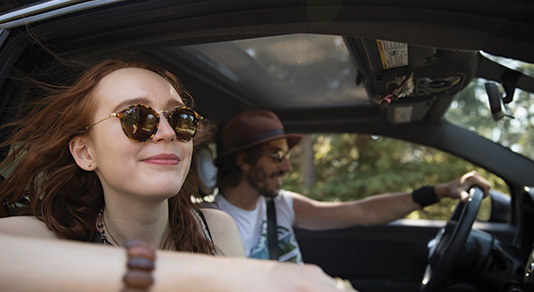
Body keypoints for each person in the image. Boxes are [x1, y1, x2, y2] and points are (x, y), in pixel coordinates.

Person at [0, 59, 356, 292]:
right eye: (136, 118)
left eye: (181, 118)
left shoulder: (214, 229)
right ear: (85, 152)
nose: (167, 132)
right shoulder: (45, 238)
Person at [213, 110, 492, 263]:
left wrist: (438, 192)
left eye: (287, 156)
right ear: (243, 160)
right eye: (277, 156)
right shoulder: (209, 220)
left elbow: (362, 212)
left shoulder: (281, 205)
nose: (287, 167)